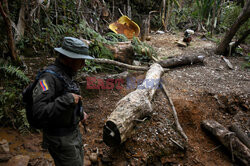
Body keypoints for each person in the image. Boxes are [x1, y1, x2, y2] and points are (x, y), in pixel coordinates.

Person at [32, 37, 94, 166]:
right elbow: (38, 112)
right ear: (69, 59)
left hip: (73, 133)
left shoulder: (67, 74)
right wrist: (68, 99)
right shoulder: (47, 79)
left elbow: (68, 97)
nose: (83, 64)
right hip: (60, 138)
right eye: (81, 60)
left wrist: (80, 113)